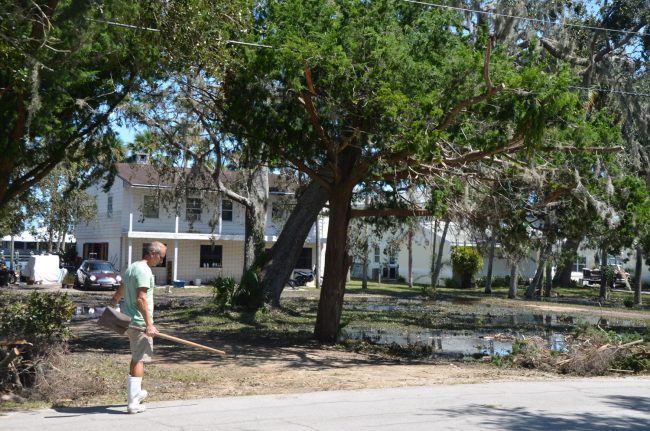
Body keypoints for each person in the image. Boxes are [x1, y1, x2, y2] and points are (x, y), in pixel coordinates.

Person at [108, 241, 167, 414]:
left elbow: (121, 289)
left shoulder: (131, 268)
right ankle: (133, 402)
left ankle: (136, 393)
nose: (162, 261)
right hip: (139, 323)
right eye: (162, 257)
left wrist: (113, 303)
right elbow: (141, 298)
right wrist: (150, 324)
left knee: (136, 356)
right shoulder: (144, 271)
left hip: (128, 319)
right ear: (153, 253)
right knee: (140, 358)